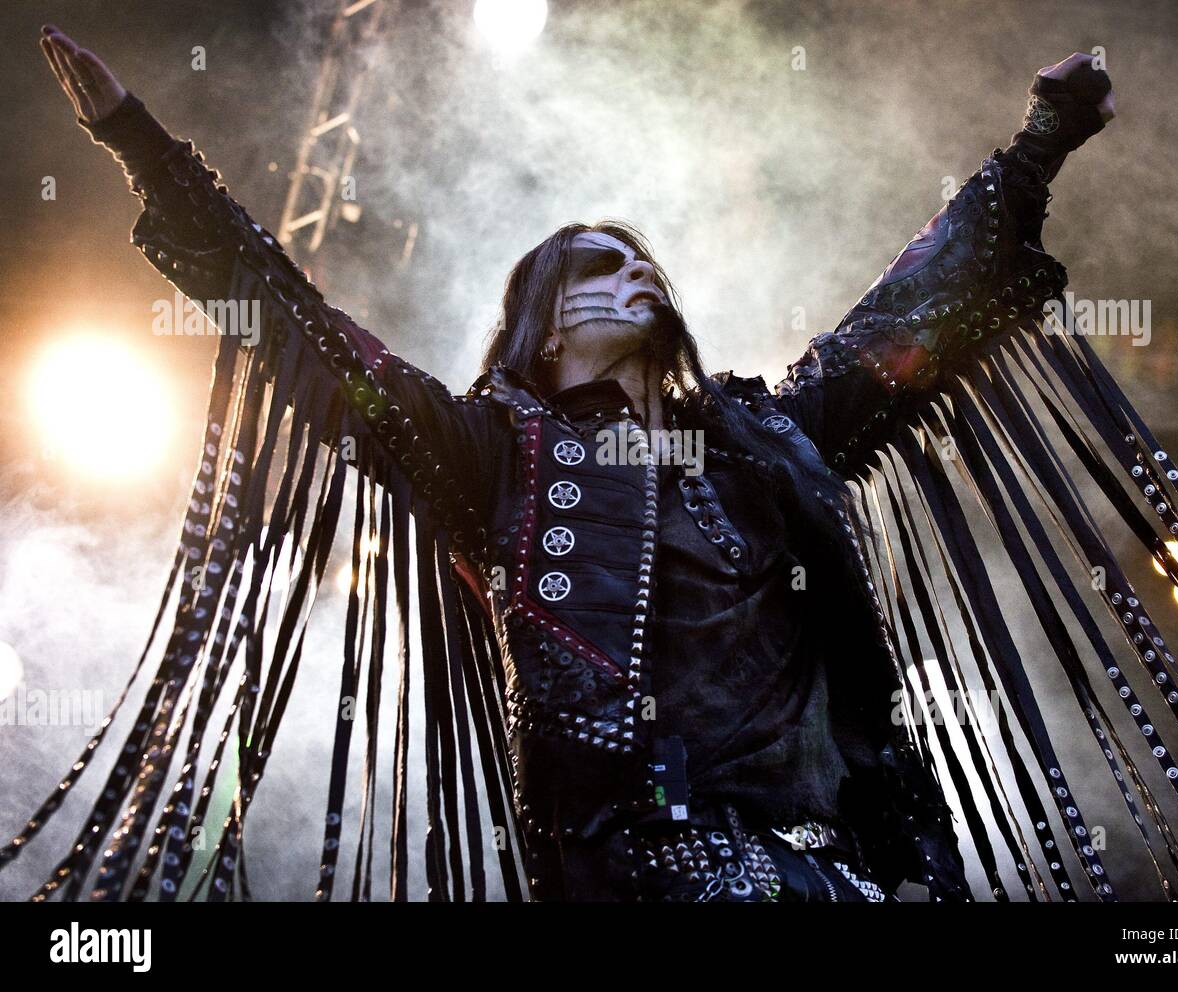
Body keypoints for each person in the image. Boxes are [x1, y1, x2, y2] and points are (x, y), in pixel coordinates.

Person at [35, 24, 1116, 902]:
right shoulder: (494, 456)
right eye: (602, 264)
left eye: (644, 257)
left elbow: (905, 315)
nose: (638, 269)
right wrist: (144, 147)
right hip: (645, 863)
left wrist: (1038, 144)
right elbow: (309, 333)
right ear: (544, 331)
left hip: (850, 863)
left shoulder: (765, 438)